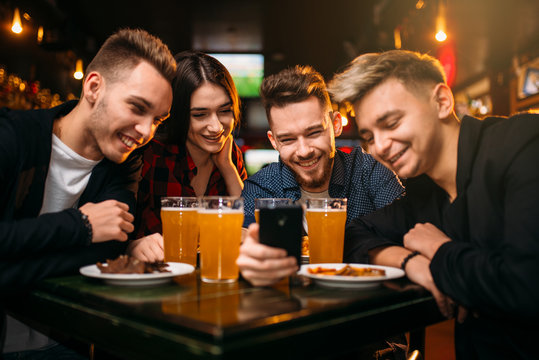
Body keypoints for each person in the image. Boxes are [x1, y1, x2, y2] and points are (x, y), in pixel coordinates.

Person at [328, 49, 539, 359]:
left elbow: (528, 287)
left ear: (442, 102)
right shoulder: (425, 192)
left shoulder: (521, 144)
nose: (380, 147)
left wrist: (440, 253)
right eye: (369, 136)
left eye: (392, 122)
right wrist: (410, 262)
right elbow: (354, 232)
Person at [0, 28, 175, 357]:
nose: (146, 132)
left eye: (157, 120)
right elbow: (98, 255)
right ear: (94, 87)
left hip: (66, 344)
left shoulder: (125, 163)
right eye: (137, 108)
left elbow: (107, 252)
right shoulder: (11, 137)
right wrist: (80, 226)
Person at [237, 64, 403, 284]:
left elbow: (408, 233)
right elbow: (243, 240)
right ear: (274, 141)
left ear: (335, 125)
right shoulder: (261, 186)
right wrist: (250, 260)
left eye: (313, 133)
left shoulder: (368, 171)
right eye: (288, 139)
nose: (304, 151)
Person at [128, 51, 247, 262]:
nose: (216, 127)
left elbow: (247, 227)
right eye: (200, 115)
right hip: (154, 278)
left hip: (213, 276)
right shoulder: (149, 154)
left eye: (225, 111)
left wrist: (228, 169)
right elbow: (119, 234)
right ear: (177, 115)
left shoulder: (229, 153)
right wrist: (131, 247)